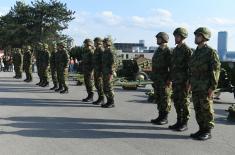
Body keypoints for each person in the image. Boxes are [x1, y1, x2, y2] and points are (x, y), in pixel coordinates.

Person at [189, 27, 221, 140]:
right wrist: (190, 83)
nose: (196, 37)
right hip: (196, 85)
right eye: (196, 35)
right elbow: (191, 69)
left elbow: (216, 70)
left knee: (206, 109)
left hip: (205, 86)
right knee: (198, 108)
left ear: (205, 37)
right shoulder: (195, 52)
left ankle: (207, 131)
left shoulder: (210, 52)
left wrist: (212, 87)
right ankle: (201, 129)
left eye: (199, 36)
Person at [168, 27, 192, 131]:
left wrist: (189, 82)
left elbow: (191, 67)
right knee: (177, 102)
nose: (175, 38)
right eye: (175, 36)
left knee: (184, 102)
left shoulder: (187, 50)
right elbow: (172, 66)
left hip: (184, 81)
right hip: (176, 80)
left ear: (182, 37)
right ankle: (179, 121)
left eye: (177, 36)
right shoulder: (176, 50)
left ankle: (184, 123)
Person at [150, 32, 172, 125]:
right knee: (158, 98)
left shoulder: (168, 51)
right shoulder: (158, 50)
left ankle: (165, 117)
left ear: (164, 39)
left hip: (164, 79)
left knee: (165, 98)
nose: (157, 40)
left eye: (159, 38)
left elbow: (171, 67)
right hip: (157, 78)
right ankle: (160, 116)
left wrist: (169, 79)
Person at [101, 38, 115, 108]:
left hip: (108, 73)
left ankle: (112, 102)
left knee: (109, 88)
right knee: (105, 88)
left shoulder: (110, 52)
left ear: (107, 43)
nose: (103, 44)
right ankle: (108, 101)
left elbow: (112, 64)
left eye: (104, 43)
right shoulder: (104, 52)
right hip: (104, 72)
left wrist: (111, 73)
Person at [92, 37, 104, 105]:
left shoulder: (101, 50)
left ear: (98, 42)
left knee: (99, 85)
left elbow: (103, 61)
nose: (94, 43)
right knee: (97, 85)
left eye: (95, 42)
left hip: (100, 71)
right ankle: (99, 98)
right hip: (96, 70)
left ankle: (101, 99)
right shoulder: (96, 50)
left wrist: (102, 71)